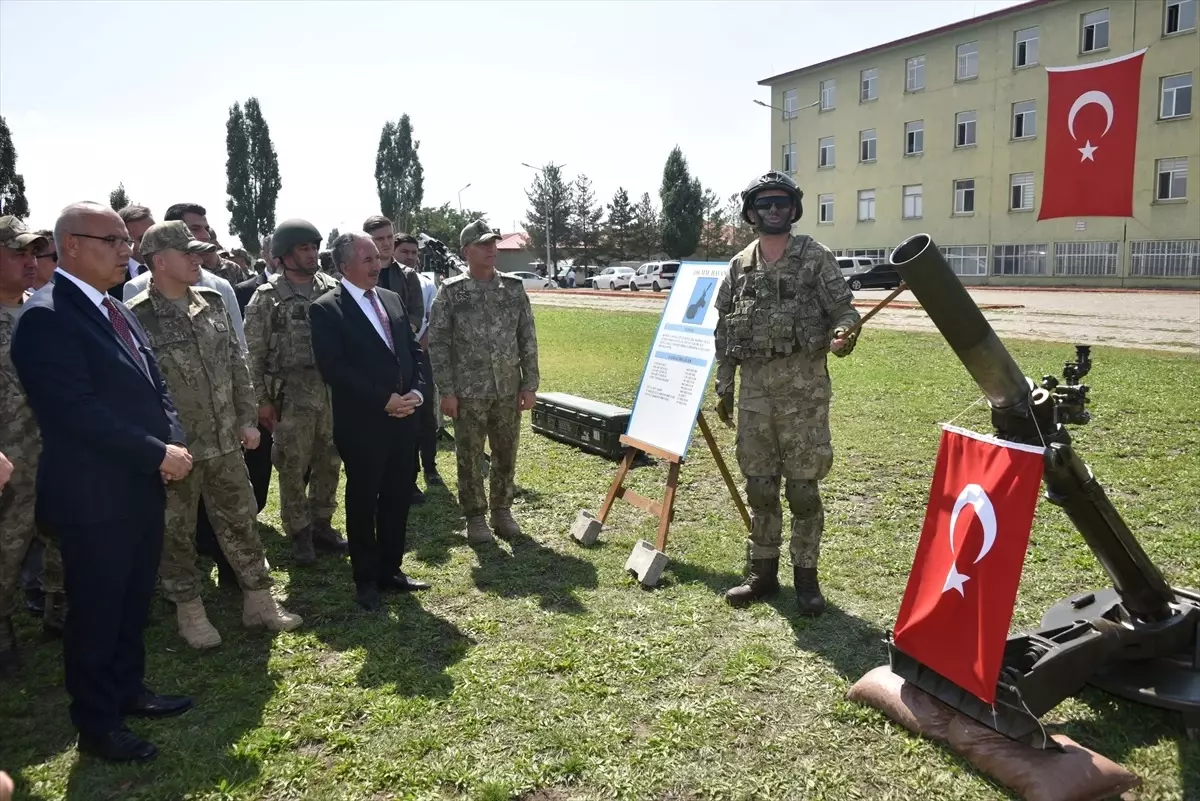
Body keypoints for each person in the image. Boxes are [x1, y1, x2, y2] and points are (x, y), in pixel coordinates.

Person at [12, 201, 194, 762]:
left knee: (131, 599)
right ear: (71, 246)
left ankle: (127, 689)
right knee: (96, 610)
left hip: (138, 482)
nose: (126, 250)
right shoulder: (47, 317)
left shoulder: (116, 308)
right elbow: (76, 412)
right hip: (95, 496)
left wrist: (170, 439)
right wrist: (155, 452)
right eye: (112, 241)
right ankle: (96, 722)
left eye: (126, 242)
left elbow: (153, 383)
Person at [127, 221, 301, 648]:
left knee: (242, 519)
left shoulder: (212, 301)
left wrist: (247, 418)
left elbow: (237, 364)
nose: (196, 259)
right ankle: (190, 611)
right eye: (186, 253)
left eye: (197, 252)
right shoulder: (136, 315)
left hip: (225, 440)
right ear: (159, 261)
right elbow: (134, 387)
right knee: (177, 534)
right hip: (178, 450)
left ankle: (258, 600)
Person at [713, 172, 859, 615]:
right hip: (755, 395)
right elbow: (725, 330)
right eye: (765, 203)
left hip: (804, 394)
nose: (773, 210)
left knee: (802, 490)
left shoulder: (815, 257)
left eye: (781, 203)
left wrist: (844, 333)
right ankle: (762, 574)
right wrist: (724, 384)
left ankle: (806, 579)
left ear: (793, 209)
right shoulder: (739, 266)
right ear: (752, 212)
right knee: (760, 486)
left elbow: (845, 310)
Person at [310, 232, 429, 610]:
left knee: (397, 498)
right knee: (363, 500)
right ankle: (365, 578)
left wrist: (418, 393)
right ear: (344, 266)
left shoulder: (392, 300)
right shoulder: (327, 308)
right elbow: (334, 368)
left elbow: (413, 353)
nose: (377, 264)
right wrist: (384, 400)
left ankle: (390, 569)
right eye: (367, 259)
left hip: (404, 418)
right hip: (363, 424)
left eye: (378, 257)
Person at [427, 220, 540, 543]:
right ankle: (475, 516)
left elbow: (527, 337)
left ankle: (501, 510)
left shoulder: (513, 288)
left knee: (506, 452)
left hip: (507, 388)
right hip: (468, 392)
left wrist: (529, 383)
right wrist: (446, 392)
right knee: (470, 455)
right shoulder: (451, 292)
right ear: (466, 252)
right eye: (482, 244)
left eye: (493, 243)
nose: (491, 249)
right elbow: (438, 344)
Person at [244, 219, 345, 564]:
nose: (312, 253)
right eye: (304, 248)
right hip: (290, 395)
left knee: (330, 460)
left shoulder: (332, 288)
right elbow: (252, 354)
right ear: (284, 255)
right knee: (291, 465)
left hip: (330, 391)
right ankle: (299, 532)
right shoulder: (267, 297)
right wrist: (261, 402)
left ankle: (322, 524)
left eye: (315, 247)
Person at [0, 217, 48, 671]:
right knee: (6, 549)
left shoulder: (44, 309)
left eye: (34, 254)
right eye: (18, 253)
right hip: (8, 464)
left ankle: (59, 612)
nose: (31, 263)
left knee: (64, 538)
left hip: (55, 454)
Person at [235, 234, 276, 514]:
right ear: (264, 252)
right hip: (258, 387)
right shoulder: (244, 290)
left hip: (298, 393)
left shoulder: (314, 287)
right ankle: (255, 507)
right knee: (259, 455)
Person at [363, 216, 422, 332]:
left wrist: (402, 334)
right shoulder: (359, 275)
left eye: (390, 237)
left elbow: (416, 313)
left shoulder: (408, 275)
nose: (387, 243)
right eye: (380, 239)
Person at [414, 267, 443, 487]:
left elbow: (432, 321)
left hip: (422, 357)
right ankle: (409, 470)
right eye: (404, 251)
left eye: (414, 252)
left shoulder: (426, 284)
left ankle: (430, 467)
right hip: (394, 359)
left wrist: (417, 350)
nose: (410, 256)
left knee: (427, 415)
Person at [109, 205, 155, 299]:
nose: (155, 242)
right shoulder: (109, 277)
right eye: (144, 238)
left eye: (156, 235)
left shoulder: (173, 270)